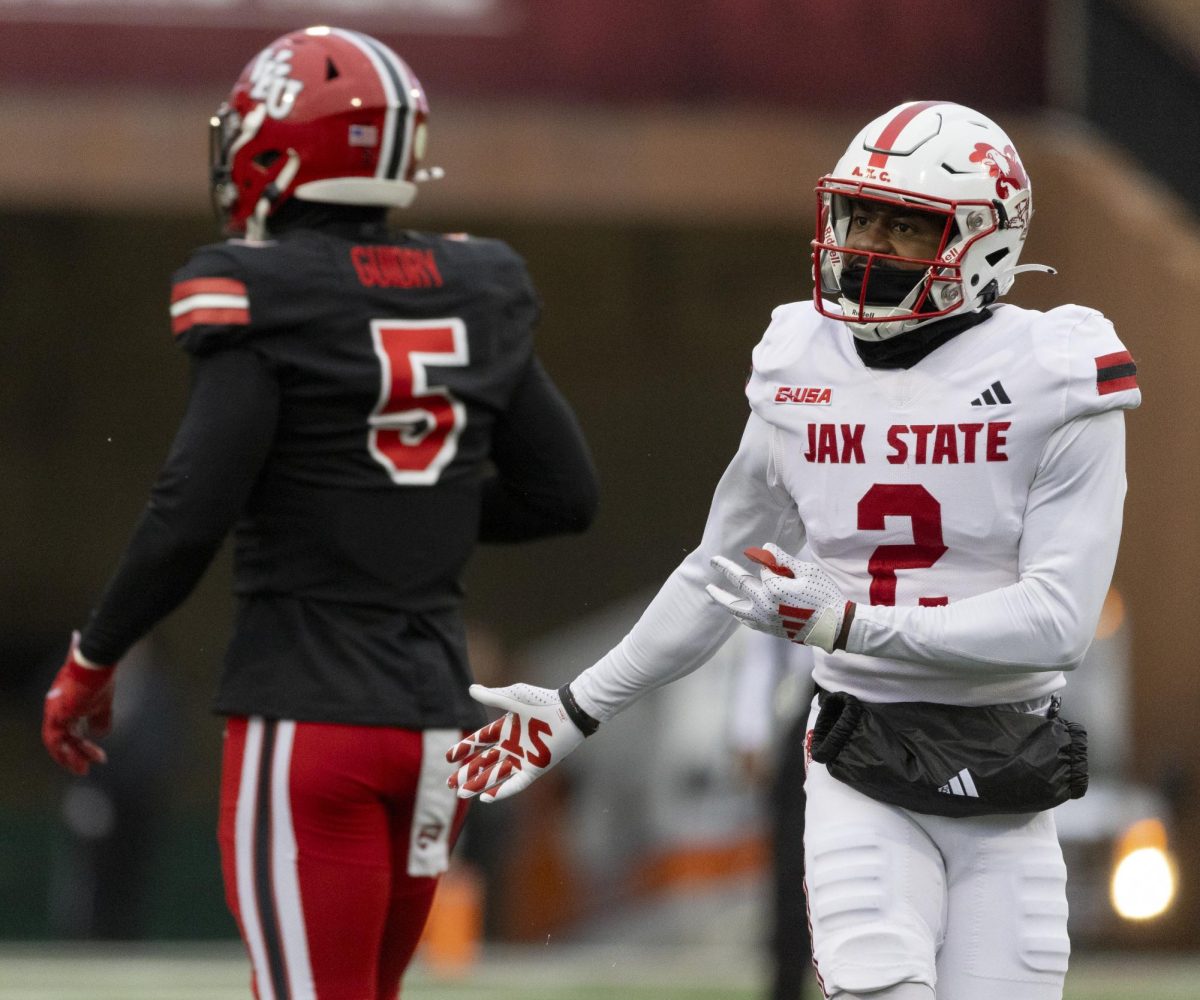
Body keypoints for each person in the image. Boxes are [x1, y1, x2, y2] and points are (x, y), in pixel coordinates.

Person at [446, 101, 1140, 1000]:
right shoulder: (799, 357)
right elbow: (717, 572)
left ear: (986, 241)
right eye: (862, 215)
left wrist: (851, 623)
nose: (869, 244)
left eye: (906, 223)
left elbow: (1057, 624)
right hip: (860, 755)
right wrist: (578, 707)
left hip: (1006, 771)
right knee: (880, 985)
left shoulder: (1058, 371)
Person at [40, 26, 598, 1000]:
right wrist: (391, 509)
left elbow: (189, 509)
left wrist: (95, 654)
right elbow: (564, 495)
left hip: (311, 720)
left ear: (275, 150)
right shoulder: (476, 283)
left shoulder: (261, 290)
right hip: (438, 728)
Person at [728, 627, 818, 1000]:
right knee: (792, 872)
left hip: (892, 705)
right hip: (811, 707)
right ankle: (787, 985)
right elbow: (767, 640)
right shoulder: (797, 565)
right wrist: (751, 729)